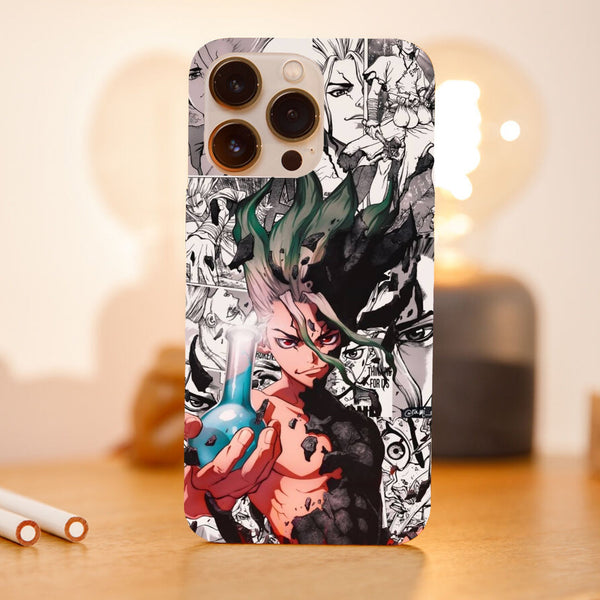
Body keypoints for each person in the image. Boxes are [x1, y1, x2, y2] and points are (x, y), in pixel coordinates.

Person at [185, 172, 417, 544]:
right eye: (290, 340)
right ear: (265, 340)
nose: (312, 356)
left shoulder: (357, 422)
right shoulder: (250, 418)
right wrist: (205, 500)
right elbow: (210, 497)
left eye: (326, 337)